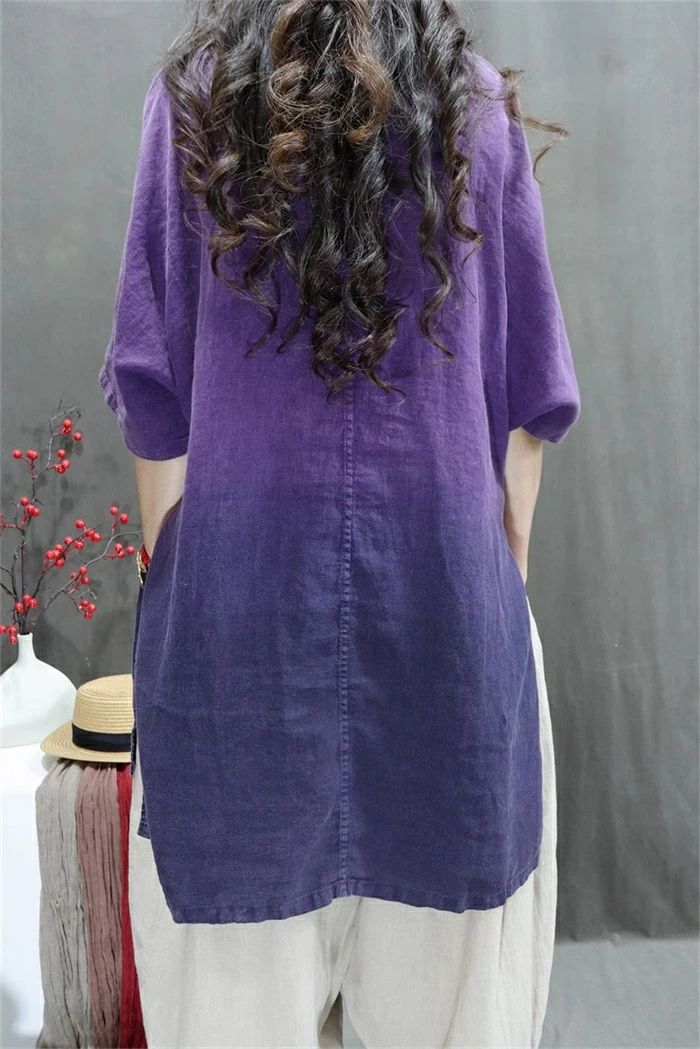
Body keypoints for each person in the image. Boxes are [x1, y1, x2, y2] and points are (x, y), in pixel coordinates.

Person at [98, 1, 582, 1045]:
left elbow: (153, 397)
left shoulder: (191, 108)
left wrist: (189, 586)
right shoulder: (475, 109)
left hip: (239, 634)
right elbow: (526, 415)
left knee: (232, 1010)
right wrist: (493, 598)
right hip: (446, 621)